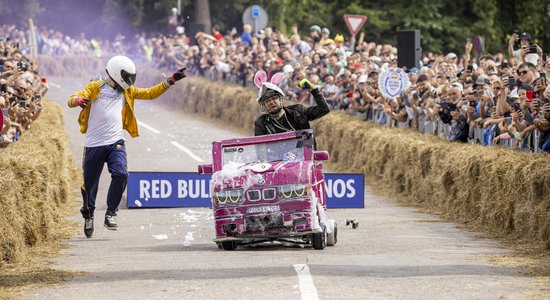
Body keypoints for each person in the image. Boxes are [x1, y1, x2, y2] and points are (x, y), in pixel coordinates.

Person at [68, 55, 186, 238]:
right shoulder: (95, 87)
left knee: (121, 173)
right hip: (94, 144)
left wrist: (170, 81)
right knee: (89, 185)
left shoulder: (127, 91)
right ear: (116, 73)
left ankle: (111, 213)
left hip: (116, 142)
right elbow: (74, 98)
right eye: (127, 77)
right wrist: (78, 101)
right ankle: (89, 214)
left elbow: (149, 93)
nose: (130, 82)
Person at [253, 70, 330, 137]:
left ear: (280, 99)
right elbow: (261, 149)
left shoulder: (298, 111)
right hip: (277, 154)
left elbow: (324, 109)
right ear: (264, 105)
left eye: (274, 98)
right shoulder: (261, 123)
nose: (271, 102)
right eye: (267, 101)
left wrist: (313, 89)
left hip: (305, 153)